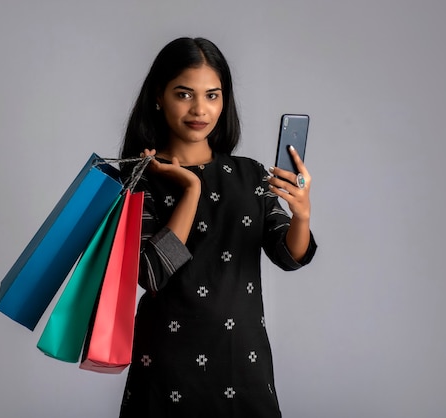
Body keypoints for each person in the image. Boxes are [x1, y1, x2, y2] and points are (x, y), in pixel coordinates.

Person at [118, 37, 317, 418]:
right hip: (166, 363)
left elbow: (289, 256)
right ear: (158, 96)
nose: (200, 109)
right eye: (184, 94)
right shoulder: (139, 178)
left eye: (212, 95)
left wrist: (302, 215)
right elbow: (151, 274)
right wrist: (191, 189)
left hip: (242, 359)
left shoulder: (250, 174)